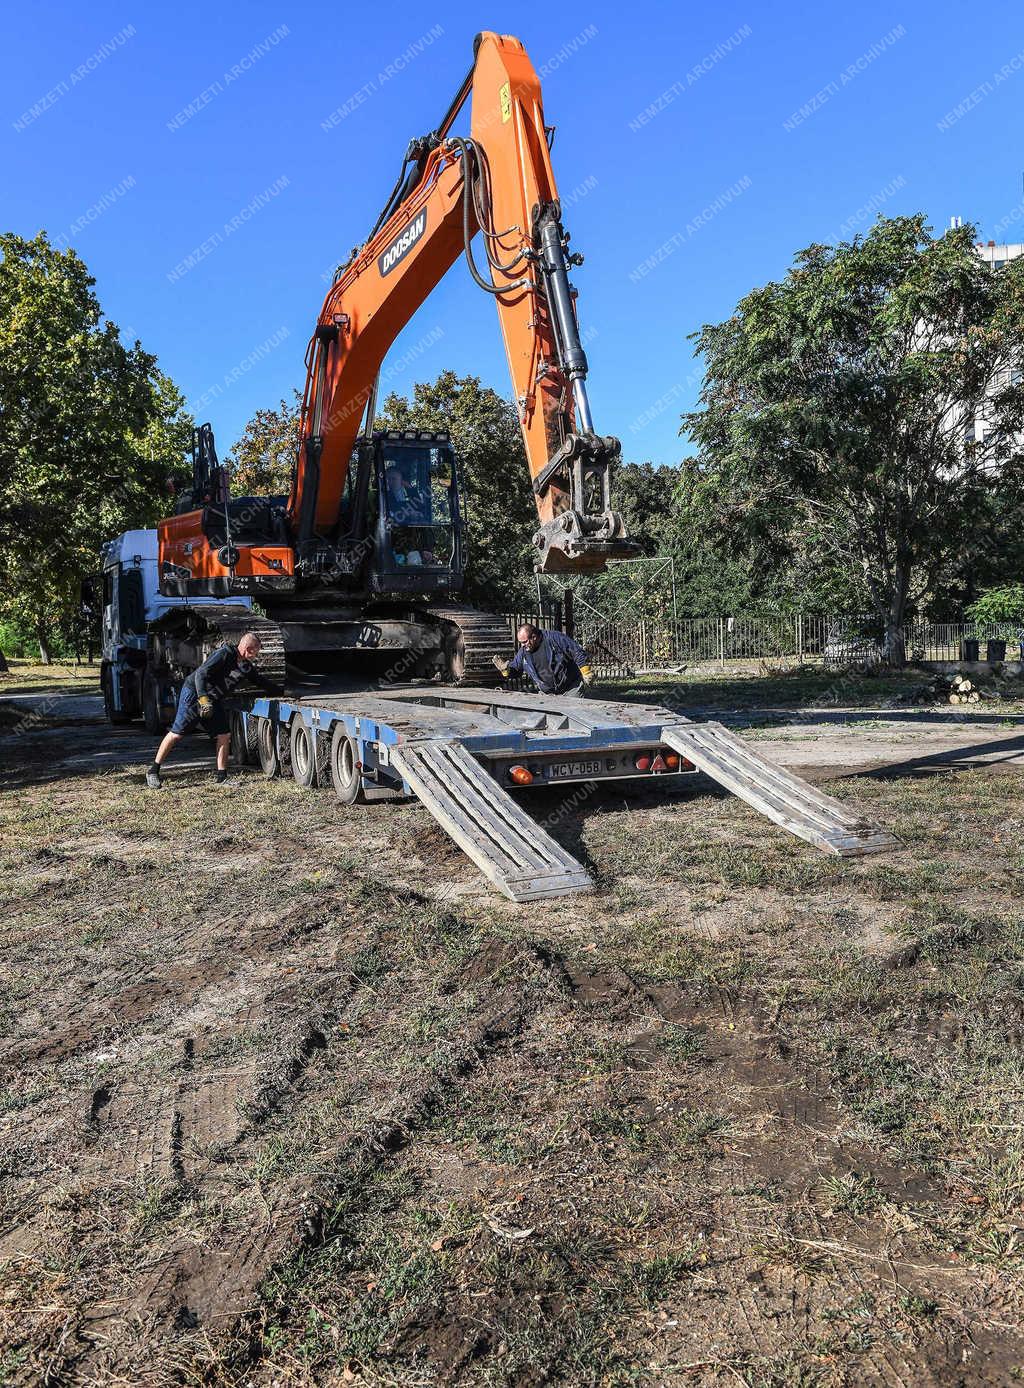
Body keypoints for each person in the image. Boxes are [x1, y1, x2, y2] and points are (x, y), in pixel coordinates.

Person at [145, 633, 281, 788]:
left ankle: (221, 777)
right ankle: (153, 771)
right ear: (247, 649)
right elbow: (201, 674)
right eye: (255, 652)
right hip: (195, 693)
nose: (256, 656)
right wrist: (203, 700)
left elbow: (260, 681)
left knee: (224, 734)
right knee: (177, 734)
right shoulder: (224, 654)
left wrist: (282, 691)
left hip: (213, 699)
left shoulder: (245, 666)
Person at [494, 624, 595, 697]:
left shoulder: (555, 638)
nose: (522, 645)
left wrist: (586, 672)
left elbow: (576, 651)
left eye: (524, 642)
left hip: (571, 688)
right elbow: (516, 670)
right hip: (547, 694)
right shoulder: (523, 652)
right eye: (521, 643)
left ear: (534, 637)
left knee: (576, 717)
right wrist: (505, 671)